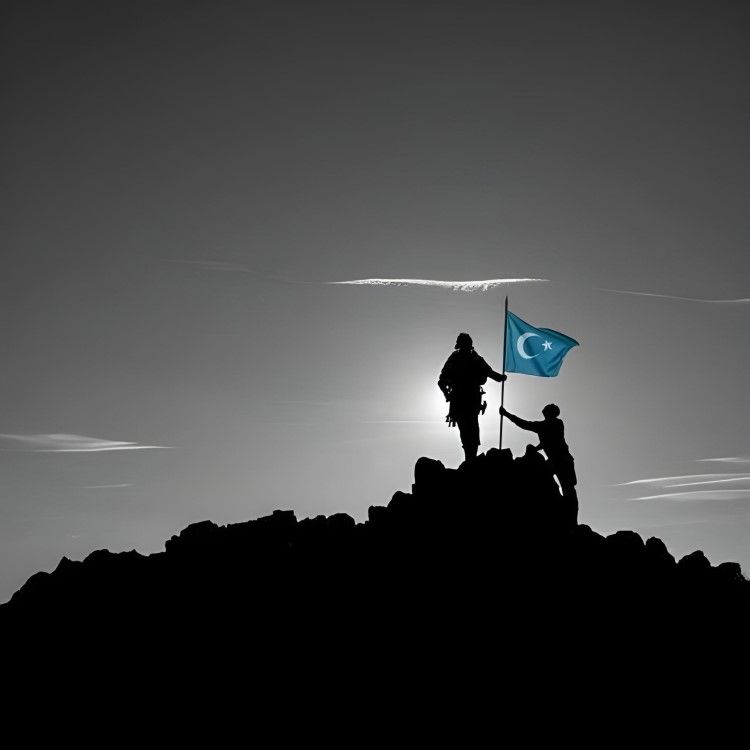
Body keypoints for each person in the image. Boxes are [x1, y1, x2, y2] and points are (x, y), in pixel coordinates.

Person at [499, 403, 578, 526]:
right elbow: (547, 441)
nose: (545, 408)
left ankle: (572, 521)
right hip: (555, 460)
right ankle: (558, 514)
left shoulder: (554, 423)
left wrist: (507, 414)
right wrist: (536, 449)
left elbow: (525, 424)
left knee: (568, 490)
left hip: (562, 460)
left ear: (551, 412)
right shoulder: (548, 425)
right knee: (547, 480)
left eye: (548, 408)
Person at [438, 333, 506, 463]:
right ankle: (470, 460)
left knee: (470, 431)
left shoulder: (470, 358)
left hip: (466, 401)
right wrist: (448, 395)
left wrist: (500, 377)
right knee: (468, 431)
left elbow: (490, 373)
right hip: (464, 401)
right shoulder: (465, 358)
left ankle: (470, 460)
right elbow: (441, 380)